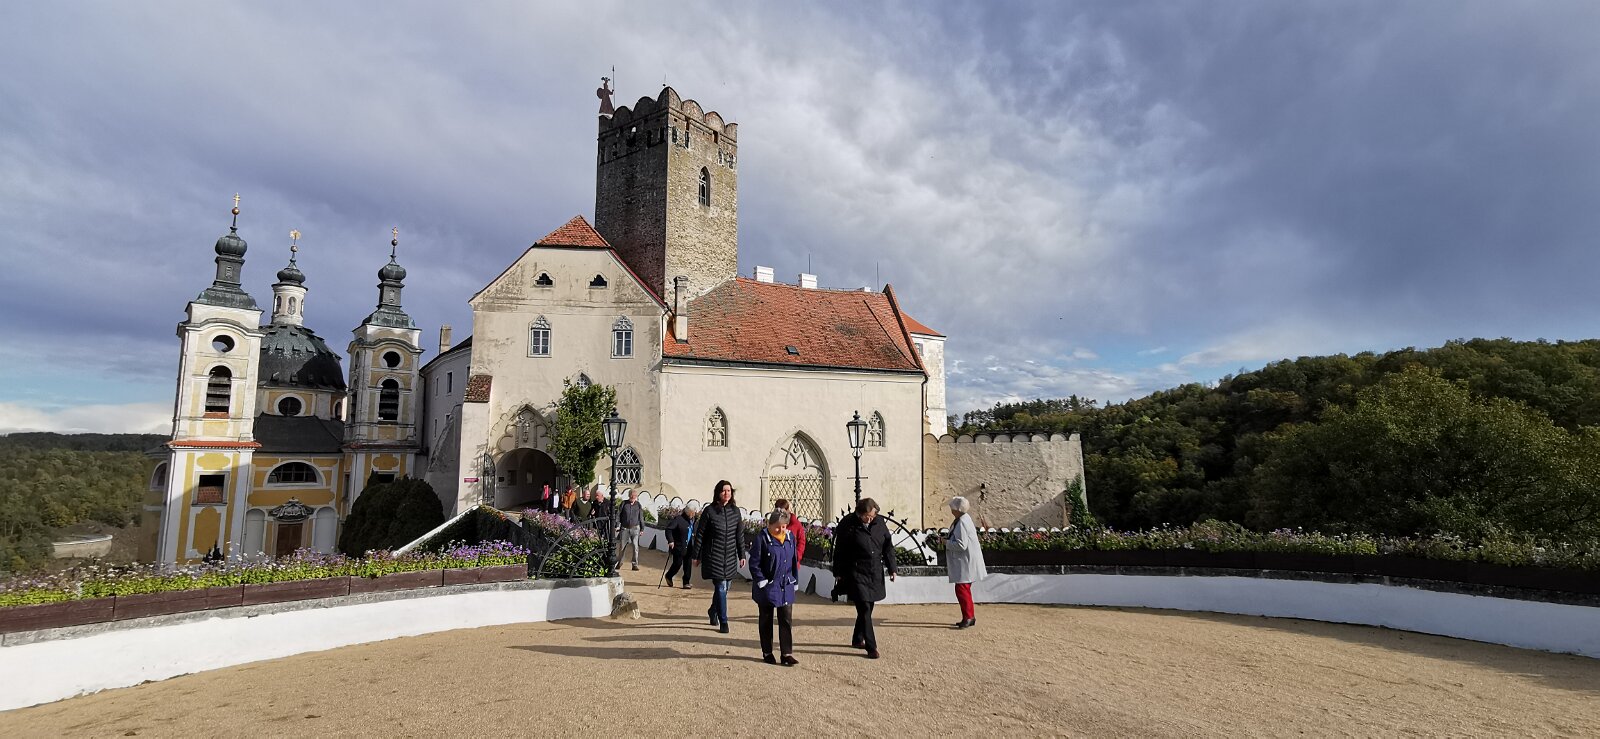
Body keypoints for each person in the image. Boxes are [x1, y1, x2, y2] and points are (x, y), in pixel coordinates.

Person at [831, 497, 896, 659]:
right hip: (855, 572)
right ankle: (871, 647)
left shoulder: (879, 522)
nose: (870, 519)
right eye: (867, 516)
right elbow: (839, 550)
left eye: (872, 516)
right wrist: (838, 571)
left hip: (874, 571)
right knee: (864, 608)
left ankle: (857, 638)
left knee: (869, 606)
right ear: (859, 513)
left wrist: (892, 568)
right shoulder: (847, 523)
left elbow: (888, 547)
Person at [692, 480, 747, 634]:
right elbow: (700, 534)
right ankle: (724, 621)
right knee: (721, 586)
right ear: (718, 492)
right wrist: (696, 555)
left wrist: (742, 554)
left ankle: (713, 610)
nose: (726, 493)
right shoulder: (709, 511)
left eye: (729, 491)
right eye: (723, 490)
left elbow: (739, 535)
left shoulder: (735, 511)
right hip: (713, 555)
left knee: (726, 587)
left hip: (730, 556)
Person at [749, 509, 800, 666]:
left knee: (786, 619)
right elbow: (754, 562)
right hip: (768, 585)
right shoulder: (762, 538)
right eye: (777, 526)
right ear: (770, 525)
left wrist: (795, 580)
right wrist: (761, 580)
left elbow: (793, 561)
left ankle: (786, 653)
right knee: (766, 619)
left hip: (785, 584)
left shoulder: (790, 538)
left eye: (783, 526)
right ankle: (767, 652)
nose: (780, 530)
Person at [944, 496, 987, 629]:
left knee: (962, 589)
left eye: (952, 508)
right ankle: (969, 616)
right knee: (963, 589)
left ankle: (968, 617)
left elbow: (961, 545)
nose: (951, 510)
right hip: (966, 561)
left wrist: (946, 542)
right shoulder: (964, 519)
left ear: (957, 509)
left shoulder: (962, 522)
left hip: (965, 562)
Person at [663, 501, 700, 589]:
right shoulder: (678, 519)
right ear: (689, 512)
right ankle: (669, 576)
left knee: (688, 565)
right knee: (677, 564)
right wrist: (671, 541)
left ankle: (686, 582)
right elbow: (669, 529)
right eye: (693, 512)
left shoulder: (694, 520)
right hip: (679, 546)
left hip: (689, 546)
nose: (694, 514)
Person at [617, 488, 645, 571]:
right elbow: (618, 514)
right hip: (625, 528)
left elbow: (641, 517)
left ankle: (634, 564)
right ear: (629, 496)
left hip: (635, 528)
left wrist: (642, 528)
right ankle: (620, 563)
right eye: (632, 496)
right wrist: (617, 525)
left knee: (635, 547)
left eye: (635, 496)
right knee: (622, 547)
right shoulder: (624, 503)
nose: (633, 497)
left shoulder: (638, 505)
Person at [772, 498, 807, 563]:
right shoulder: (774, 523)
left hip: (791, 562)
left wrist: (797, 556)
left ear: (788, 510)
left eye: (783, 512)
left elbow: (801, 541)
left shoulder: (796, 524)